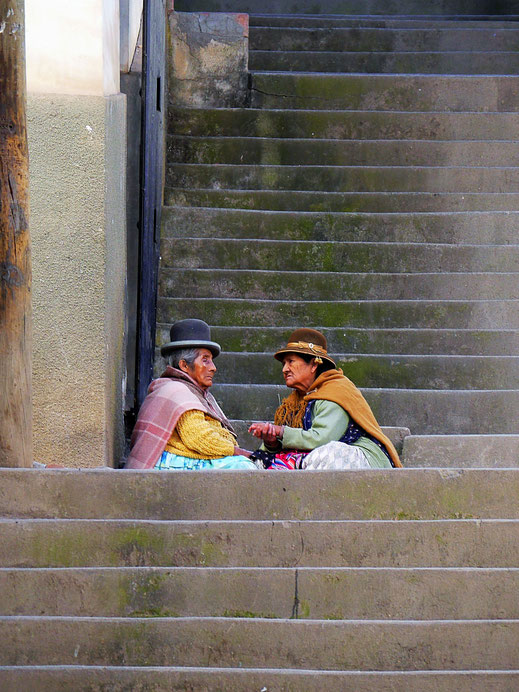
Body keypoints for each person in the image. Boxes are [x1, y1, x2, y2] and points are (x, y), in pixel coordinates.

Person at [249, 328, 402, 470]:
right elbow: (287, 445)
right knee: (260, 463)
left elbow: (321, 440)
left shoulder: (336, 390)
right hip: (310, 457)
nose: (284, 369)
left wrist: (281, 431)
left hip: (362, 459)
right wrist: (271, 442)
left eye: (291, 361)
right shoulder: (294, 402)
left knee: (329, 453)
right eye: (283, 364)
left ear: (314, 364)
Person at [125, 319, 257, 471]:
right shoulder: (176, 391)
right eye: (205, 360)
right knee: (244, 468)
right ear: (184, 365)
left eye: (211, 361)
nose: (213, 368)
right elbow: (199, 438)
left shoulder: (195, 393)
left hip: (184, 460)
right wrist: (239, 452)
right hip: (164, 465)